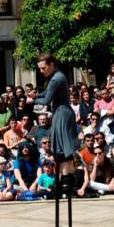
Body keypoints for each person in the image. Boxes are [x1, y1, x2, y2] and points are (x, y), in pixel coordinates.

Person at [27, 53, 80, 191]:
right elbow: (46, 93)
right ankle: (63, 178)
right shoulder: (55, 78)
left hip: (63, 113)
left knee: (65, 149)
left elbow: (46, 100)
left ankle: (67, 179)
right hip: (59, 113)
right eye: (40, 68)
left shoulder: (57, 78)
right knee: (60, 150)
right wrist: (37, 95)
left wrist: (32, 100)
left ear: (51, 65)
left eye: (43, 68)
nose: (41, 71)